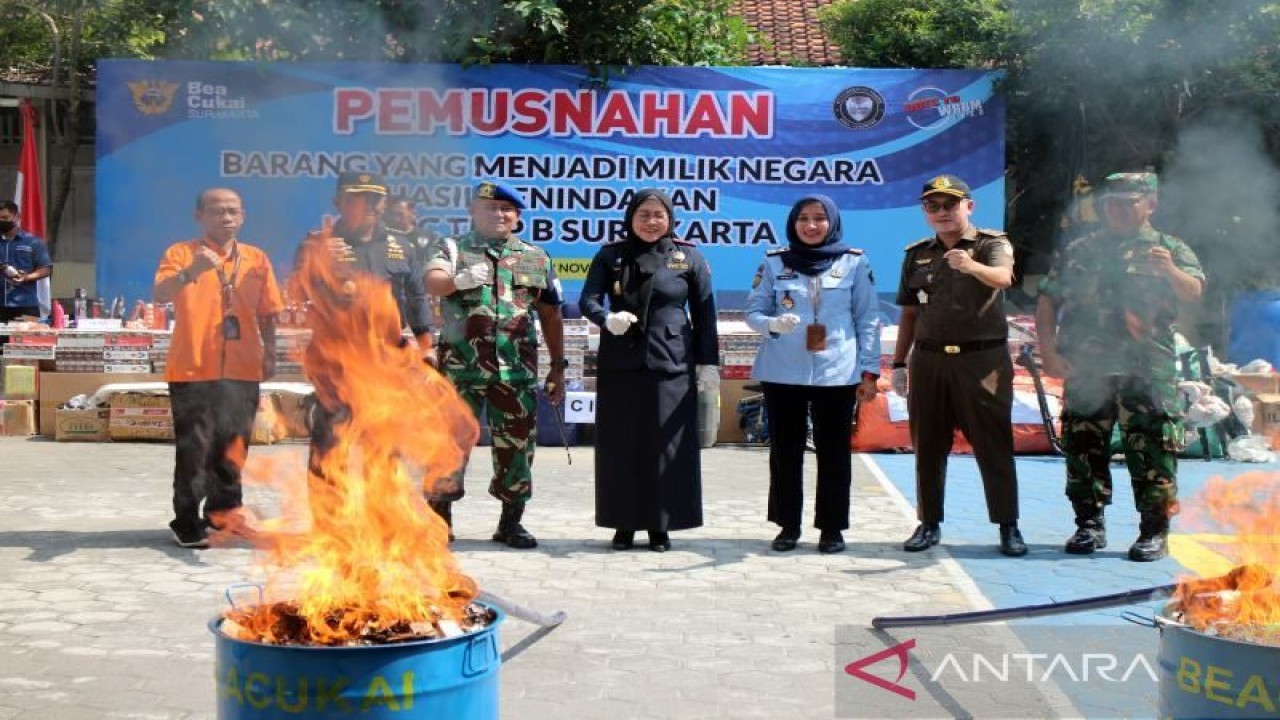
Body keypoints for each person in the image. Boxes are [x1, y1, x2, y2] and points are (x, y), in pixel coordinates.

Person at [1035, 172, 1204, 562]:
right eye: (1113, 203)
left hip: (1146, 369)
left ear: (1151, 204)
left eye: (1130, 202)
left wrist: (1170, 272)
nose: (1120, 210)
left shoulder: (1169, 249)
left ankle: (1153, 531)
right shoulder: (1080, 250)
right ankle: (1089, 525)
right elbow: (1048, 301)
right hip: (1088, 367)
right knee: (1083, 445)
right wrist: (1048, 352)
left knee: (1153, 449)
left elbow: (1194, 292)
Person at [425, 180, 566, 549]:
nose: (499, 214)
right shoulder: (452, 247)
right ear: (473, 212)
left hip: (516, 371)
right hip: (461, 372)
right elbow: (432, 281)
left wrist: (558, 367)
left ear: (517, 217)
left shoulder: (536, 257)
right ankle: (439, 522)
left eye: (506, 209)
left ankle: (511, 523)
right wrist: (457, 280)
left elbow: (551, 314)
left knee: (517, 446)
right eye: (490, 208)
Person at [891, 174, 1026, 557]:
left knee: (992, 444)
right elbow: (910, 313)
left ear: (969, 206)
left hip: (982, 361)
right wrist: (900, 363)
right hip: (930, 360)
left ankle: (1008, 526)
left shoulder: (990, 244)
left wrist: (970, 266)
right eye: (933, 206)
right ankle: (928, 522)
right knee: (928, 445)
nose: (942, 212)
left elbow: (1003, 278)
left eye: (950, 204)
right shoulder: (916, 254)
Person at [579, 189, 719, 552]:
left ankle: (661, 525)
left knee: (666, 446)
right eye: (644, 214)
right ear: (631, 218)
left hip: (670, 363)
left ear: (670, 219)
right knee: (620, 445)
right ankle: (622, 524)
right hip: (620, 364)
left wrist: (708, 364)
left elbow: (705, 314)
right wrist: (606, 318)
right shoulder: (610, 255)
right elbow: (588, 300)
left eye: (658, 215)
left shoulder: (687, 257)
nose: (651, 221)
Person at [745, 194, 880, 554]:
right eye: (803, 218)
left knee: (834, 452)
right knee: (785, 452)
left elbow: (868, 318)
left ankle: (832, 527)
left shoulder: (854, 263)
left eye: (819, 218)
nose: (811, 225)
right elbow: (754, 311)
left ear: (831, 223)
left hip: (838, 371)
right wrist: (772, 324)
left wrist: (870, 371)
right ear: (793, 223)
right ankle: (788, 525)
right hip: (782, 369)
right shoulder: (774, 262)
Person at [153, 188, 283, 548]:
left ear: (242, 216)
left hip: (242, 368)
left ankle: (224, 513)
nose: (226, 218)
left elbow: (269, 312)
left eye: (233, 211)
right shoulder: (180, 254)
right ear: (200, 216)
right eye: (217, 211)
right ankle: (186, 520)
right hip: (193, 367)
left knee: (233, 445)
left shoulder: (256, 258)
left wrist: (270, 353)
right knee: (195, 448)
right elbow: (161, 294)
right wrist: (192, 272)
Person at [297, 172, 435, 487]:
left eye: (374, 199)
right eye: (356, 198)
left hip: (386, 360)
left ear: (384, 204)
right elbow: (295, 295)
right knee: (331, 446)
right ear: (338, 203)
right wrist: (319, 268)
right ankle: (329, 527)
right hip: (336, 360)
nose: (367, 206)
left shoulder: (401, 245)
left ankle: (382, 526)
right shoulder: (316, 244)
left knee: (383, 445)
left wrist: (427, 346)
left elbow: (415, 298)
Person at [0, 201, 53, 322]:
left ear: (17, 217)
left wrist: (26, 277)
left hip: (25, 305)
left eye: (5, 218)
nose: (1, 221)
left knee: (25, 340)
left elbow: (46, 268)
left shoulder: (33, 242)